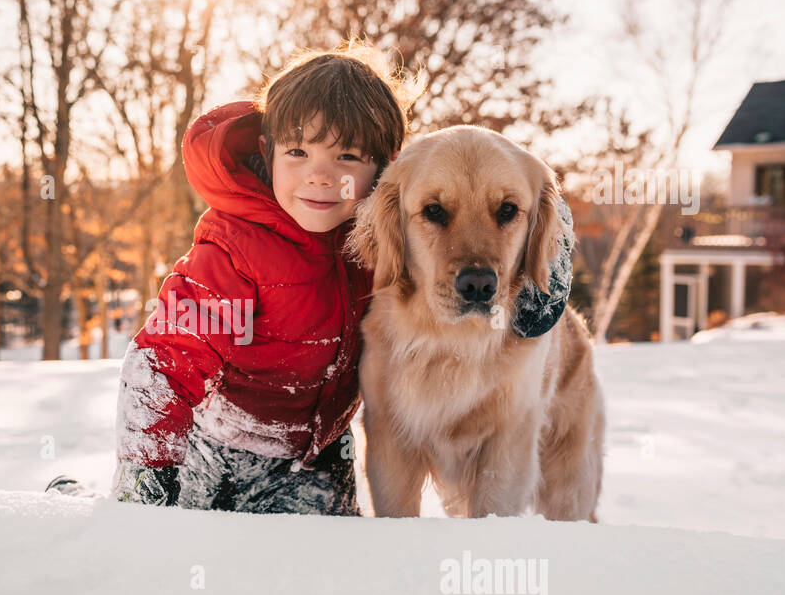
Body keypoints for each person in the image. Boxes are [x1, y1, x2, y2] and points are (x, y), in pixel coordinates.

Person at [50, 42, 573, 513]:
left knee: (333, 571)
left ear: (380, 172)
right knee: (195, 550)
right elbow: (164, 362)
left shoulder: (381, 239)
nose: (321, 175)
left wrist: (548, 280)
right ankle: (87, 504)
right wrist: (146, 477)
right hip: (221, 455)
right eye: (298, 152)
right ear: (268, 153)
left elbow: (509, 214)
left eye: (346, 156)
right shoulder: (234, 251)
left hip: (319, 460)